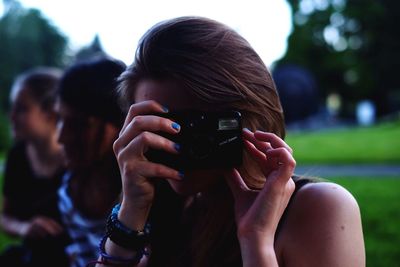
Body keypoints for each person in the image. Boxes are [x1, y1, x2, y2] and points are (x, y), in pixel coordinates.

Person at [97, 17, 365, 267]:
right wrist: (130, 216)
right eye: (159, 126)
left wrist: (256, 242)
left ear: (249, 117)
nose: (177, 144)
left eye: (196, 127)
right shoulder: (157, 207)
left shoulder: (319, 208)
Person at [56, 57, 126, 267]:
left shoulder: (143, 200)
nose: (62, 138)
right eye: (61, 120)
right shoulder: (69, 192)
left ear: (120, 125)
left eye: (78, 125)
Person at [0, 67, 69, 267]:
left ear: (51, 112)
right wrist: (24, 228)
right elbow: (5, 216)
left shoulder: (77, 159)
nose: (11, 116)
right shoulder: (18, 156)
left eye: (22, 109)